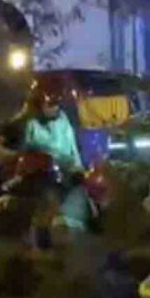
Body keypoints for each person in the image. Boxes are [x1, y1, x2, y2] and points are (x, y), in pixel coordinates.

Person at [7, 77, 92, 232]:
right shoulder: (29, 122)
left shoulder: (63, 120)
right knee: (48, 194)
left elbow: (73, 153)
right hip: (38, 178)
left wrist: (79, 171)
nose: (54, 104)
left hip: (65, 176)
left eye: (57, 100)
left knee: (82, 193)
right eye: (49, 99)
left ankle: (69, 225)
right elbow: (16, 152)